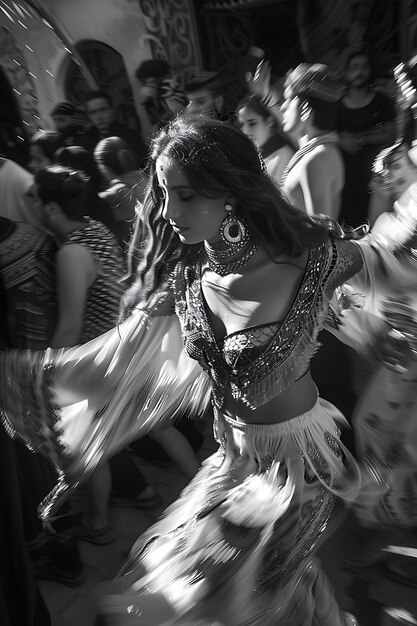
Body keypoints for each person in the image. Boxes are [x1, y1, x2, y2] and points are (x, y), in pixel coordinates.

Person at [3, 116, 417, 624]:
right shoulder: (186, 286)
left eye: (187, 195)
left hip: (297, 472)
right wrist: (25, 377)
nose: (171, 211)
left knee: (197, 597)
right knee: (267, 602)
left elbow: (391, 259)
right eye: (165, 194)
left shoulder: (312, 261)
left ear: (231, 192)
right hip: (232, 463)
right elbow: (110, 360)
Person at [336, 49, 396, 226]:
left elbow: (391, 132)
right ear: (347, 73)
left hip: (373, 179)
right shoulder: (337, 106)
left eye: (364, 66)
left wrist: (359, 139)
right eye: (354, 67)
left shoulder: (381, 101)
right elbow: (330, 136)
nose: (360, 71)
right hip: (344, 177)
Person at [237, 93, 295, 184]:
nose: (245, 130)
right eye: (242, 125)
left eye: (252, 123)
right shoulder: (253, 159)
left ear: (269, 121)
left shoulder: (284, 154)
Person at [84, 90, 148, 167]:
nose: (99, 117)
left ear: (112, 110)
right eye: (93, 113)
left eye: (103, 110)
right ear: (89, 116)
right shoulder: (88, 143)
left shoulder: (131, 136)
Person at [135, 59, 187, 133]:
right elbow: (154, 130)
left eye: (151, 82)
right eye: (143, 83)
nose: (145, 87)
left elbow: (181, 117)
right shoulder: (149, 103)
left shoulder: (177, 94)